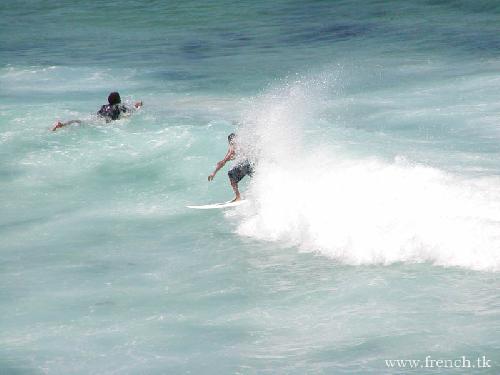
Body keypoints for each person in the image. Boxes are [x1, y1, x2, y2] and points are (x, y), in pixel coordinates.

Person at [52, 92, 142, 131]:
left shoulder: (104, 107)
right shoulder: (119, 106)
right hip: (108, 122)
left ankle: (63, 125)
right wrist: (137, 106)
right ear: (119, 100)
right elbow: (131, 112)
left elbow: (98, 115)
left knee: (80, 122)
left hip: (98, 119)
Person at [208, 133, 254, 202]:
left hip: (245, 165)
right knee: (256, 176)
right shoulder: (243, 145)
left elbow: (223, 161)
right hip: (251, 163)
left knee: (231, 174)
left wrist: (213, 173)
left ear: (230, 141)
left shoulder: (232, 147)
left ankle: (238, 197)